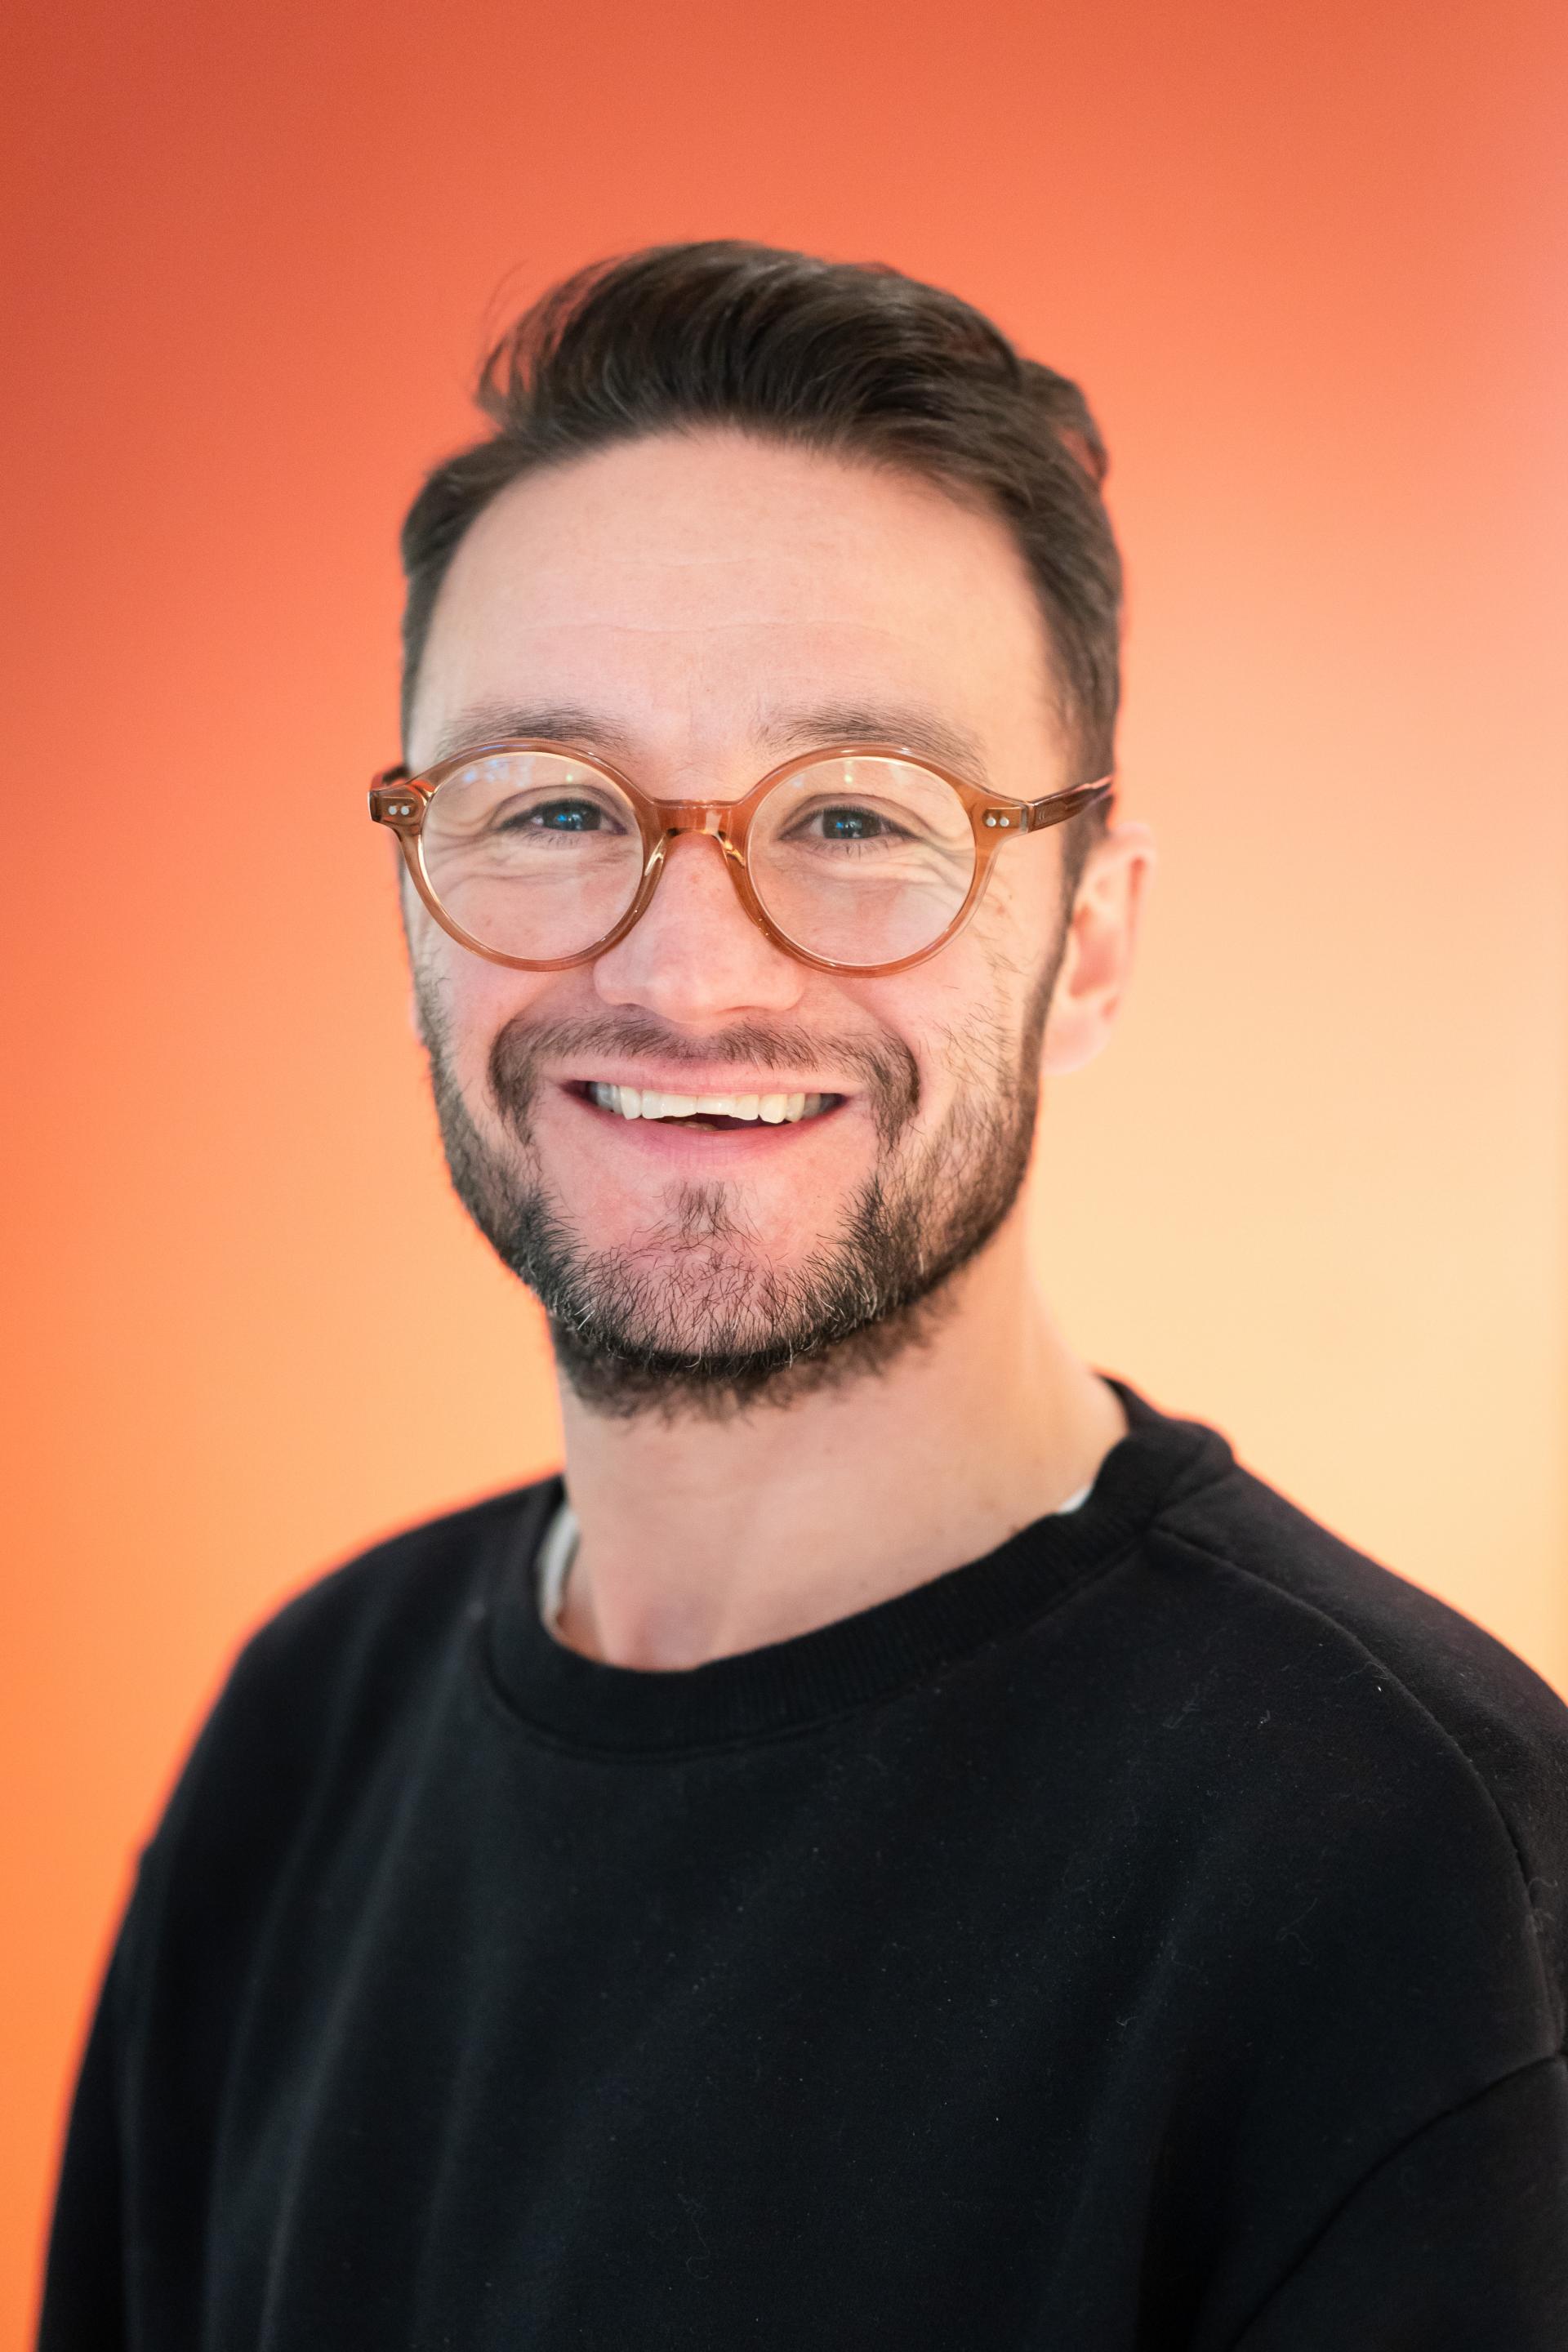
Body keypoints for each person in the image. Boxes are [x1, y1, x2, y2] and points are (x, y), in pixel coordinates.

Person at [41, 241, 1568, 2350]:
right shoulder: (305, 1741)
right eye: (555, 807)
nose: (687, 974)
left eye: (857, 816)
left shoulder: (1409, 1877)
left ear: (1090, 944)